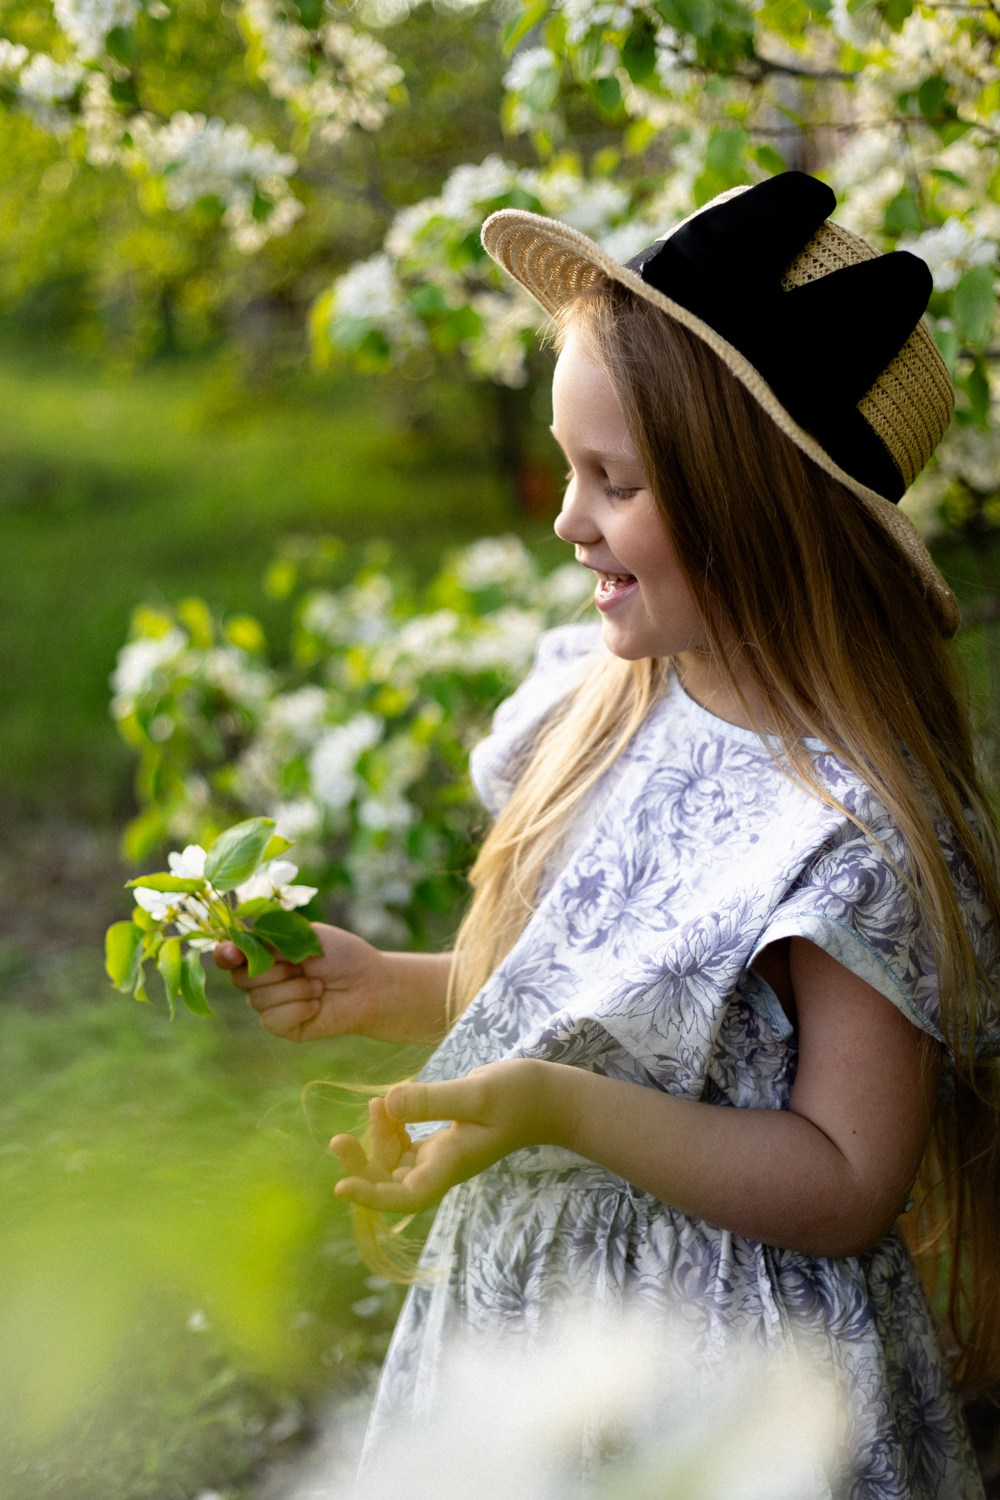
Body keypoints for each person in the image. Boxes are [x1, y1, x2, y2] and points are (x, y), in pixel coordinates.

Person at [216, 172, 1000, 1498]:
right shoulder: (606, 704)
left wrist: (556, 1112)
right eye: (574, 468)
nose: (569, 518)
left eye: (613, 481)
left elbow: (848, 1175)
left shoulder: (846, 828)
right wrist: (389, 991)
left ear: (763, 514)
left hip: (725, 1375)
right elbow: (637, 1010)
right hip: (540, 1333)